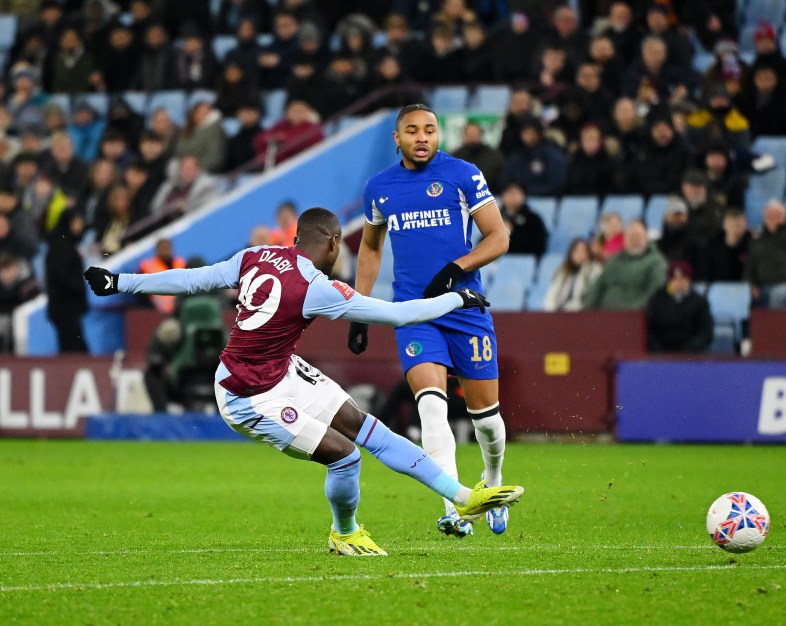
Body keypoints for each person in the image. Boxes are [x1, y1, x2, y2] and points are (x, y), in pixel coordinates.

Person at [83, 207, 523, 557]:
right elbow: (395, 315)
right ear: (334, 242)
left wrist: (120, 280)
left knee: (369, 428)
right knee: (346, 456)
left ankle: (462, 497)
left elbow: (192, 280)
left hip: (282, 371)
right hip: (247, 396)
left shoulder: (253, 256)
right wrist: (458, 297)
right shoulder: (319, 286)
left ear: (294, 239)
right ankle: (344, 533)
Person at [350, 104, 512, 539]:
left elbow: (499, 237)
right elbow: (370, 247)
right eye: (412, 131)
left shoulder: (463, 174)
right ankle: (455, 507)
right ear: (397, 139)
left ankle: (492, 483)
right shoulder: (379, 188)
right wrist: (359, 307)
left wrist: (455, 268)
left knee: (487, 422)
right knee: (431, 410)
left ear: (439, 135)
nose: (422, 137)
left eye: (430, 130)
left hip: (463, 308)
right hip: (414, 313)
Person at [583, 218, 667, 311]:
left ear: (646, 237)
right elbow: (598, 286)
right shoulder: (615, 260)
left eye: (638, 236)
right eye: (631, 236)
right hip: (604, 317)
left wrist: (628, 311)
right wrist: (586, 310)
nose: (634, 240)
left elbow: (656, 295)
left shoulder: (656, 262)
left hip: (635, 318)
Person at [645, 260, 713, 353]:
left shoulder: (699, 302)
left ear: (689, 280)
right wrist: (660, 351)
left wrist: (688, 350)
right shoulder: (657, 299)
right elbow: (649, 330)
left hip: (691, 356)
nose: (678, 282)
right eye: (675, 278)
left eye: (682, 278)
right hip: (660, 356)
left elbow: (705, 332)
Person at [46, 210, 89, 353]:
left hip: (65, 308)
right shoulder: (62, 246)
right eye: (76, 222)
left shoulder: (62, 244)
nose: (80, 226)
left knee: (72, 348)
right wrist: (80, 286)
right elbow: (61, 275)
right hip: (66, 308)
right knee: (74, 351)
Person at [543, 237, 603, 312]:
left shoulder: (595, 270)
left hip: (582, 313)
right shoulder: (562, 271)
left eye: (583, 250)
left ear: (588, 253)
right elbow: (551, 295)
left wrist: (573, 308)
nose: (579, 254)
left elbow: (591, 297)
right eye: (576, 251)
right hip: (560, 313)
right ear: (571, 253)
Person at [139, 238, 187, 314]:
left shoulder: (181, 263)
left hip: (181, 307)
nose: (165, 250)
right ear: (156, 250)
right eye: (162, 248)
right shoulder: (147, 266)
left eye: (167, 247)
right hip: (158, 311)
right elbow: (141, 293)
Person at [499, 182, 548, 257]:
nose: (511, 197)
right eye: (508, 192)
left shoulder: (533, 219)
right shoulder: (495, 218)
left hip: (526, 261)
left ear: (523, 196)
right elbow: (483, 243)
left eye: (515, 193)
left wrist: (513, 233)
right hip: (497, 262)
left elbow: (539, 245)